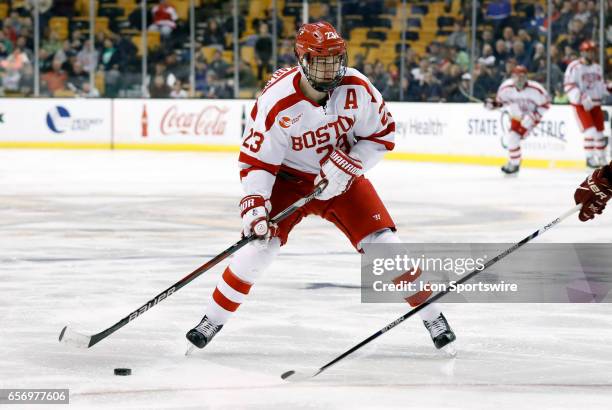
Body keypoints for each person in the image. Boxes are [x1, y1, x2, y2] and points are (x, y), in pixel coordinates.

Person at [186, 21, 456, 353]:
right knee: (259, 247)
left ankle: (433, 316)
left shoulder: (357, 87)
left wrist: (352, 163)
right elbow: (258, 162)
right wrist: (256, 208)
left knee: (385, 244)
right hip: (287, 181)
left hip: (342, 179)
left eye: (335, 59)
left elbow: (382, 136)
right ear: (302, 60)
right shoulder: (277, 101)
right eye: (320, 60)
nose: (330, 68)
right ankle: (212, 319)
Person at [485, 65, 550, 175]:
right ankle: (514, 163)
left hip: (531, 117)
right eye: (516, 76)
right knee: (512, 138)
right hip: (516, 117)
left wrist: (533, 116)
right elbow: (502, 102)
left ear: (526, 77)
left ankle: (514, 163)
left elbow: (545, 105)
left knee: (513, 138)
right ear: (512, 76)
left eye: (522, 76)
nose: (519, 79)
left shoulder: (536, 89)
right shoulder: (506, 88)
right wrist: (493, 105)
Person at [564, 40, 611, 169]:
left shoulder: (597, 67)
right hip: (581, 105)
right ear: (582, 52)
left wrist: (608, 88)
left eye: (593, 51)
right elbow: (568, 86)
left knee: (600, 132)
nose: (591, 54)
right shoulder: (574, 66)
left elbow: (600, 86)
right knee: (590, 131)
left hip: (596, 103)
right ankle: (589, 158)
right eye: (588, 51)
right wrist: (582, 97)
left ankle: (601, 158)